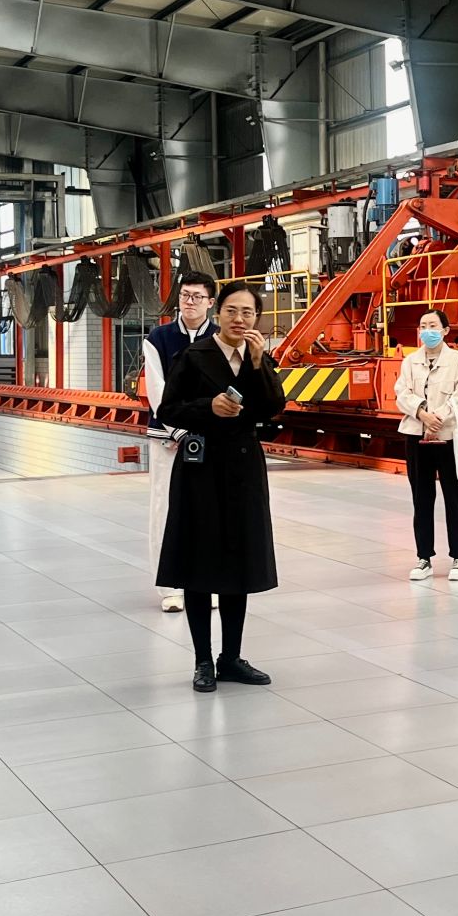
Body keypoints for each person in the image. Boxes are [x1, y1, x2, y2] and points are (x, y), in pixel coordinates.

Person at [155, 282, 287, 693]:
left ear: (256, 318)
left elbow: (273, 407)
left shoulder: (257, 357)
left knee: (237, 563)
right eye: (232, 310)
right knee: (198, 564)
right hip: (201, 469)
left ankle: (231, 658)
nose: (239, 319)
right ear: (219, 313)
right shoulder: (193, 356)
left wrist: (260, 363)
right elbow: (168, 410)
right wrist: (206, 407)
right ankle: (202, 660)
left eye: (248, 312)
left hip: (243, 468)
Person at [141, 273, 218, 613]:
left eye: (197, 296)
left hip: (211, 439)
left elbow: (228, 389)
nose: (189, 302)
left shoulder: (223, 338)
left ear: (210, 302)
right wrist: (179, 432)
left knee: (210, 510)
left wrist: (203, 428)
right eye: (185, 295)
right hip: (166, 440)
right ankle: (170, 588)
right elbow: (156, 389)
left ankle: (208, 584)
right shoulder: (159, 338)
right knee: (165, 509)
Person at [396, 307, 458, 583]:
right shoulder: (410, 361)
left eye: (432, 326)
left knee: (455, 497)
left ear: (445, 331)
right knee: (421, 498)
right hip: (416, 435)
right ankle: (424, 558)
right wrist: (423, 414)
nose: (427, 331)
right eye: (423, 326)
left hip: (447, 436)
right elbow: (401, 393)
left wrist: (437, 419)